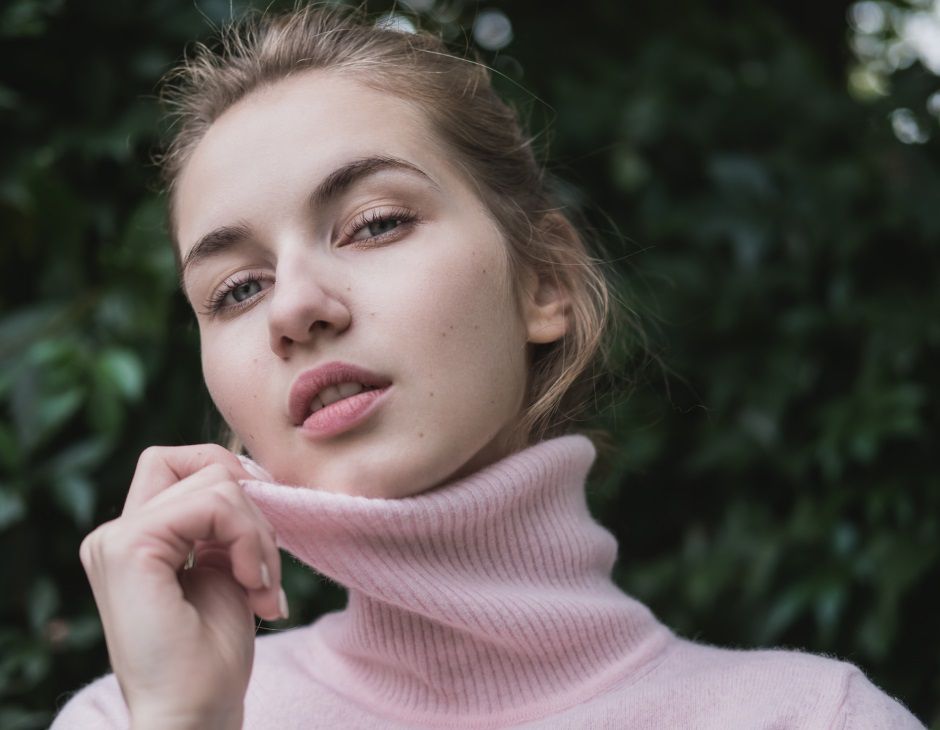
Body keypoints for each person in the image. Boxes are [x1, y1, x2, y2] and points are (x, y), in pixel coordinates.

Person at [51, 5, 925, 729]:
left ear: (544, 282)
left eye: (377, 223)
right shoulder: (123, 719)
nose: (292, 308)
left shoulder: (819, 719)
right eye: (238, 289)